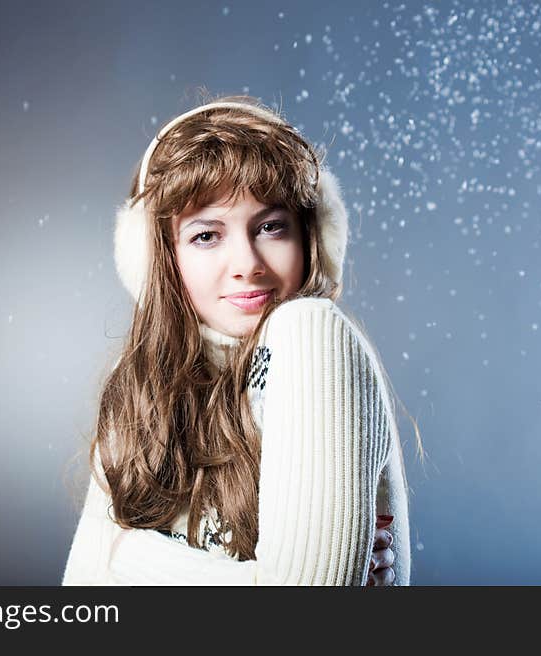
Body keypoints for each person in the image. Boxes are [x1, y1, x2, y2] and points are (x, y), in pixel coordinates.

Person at [63, 95, 417, 585]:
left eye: (271, 227)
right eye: (206, 236)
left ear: (311, 237)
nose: (246, 263)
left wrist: (123, 556)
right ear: (161, 258)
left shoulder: (312, 334)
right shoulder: (144, 385)